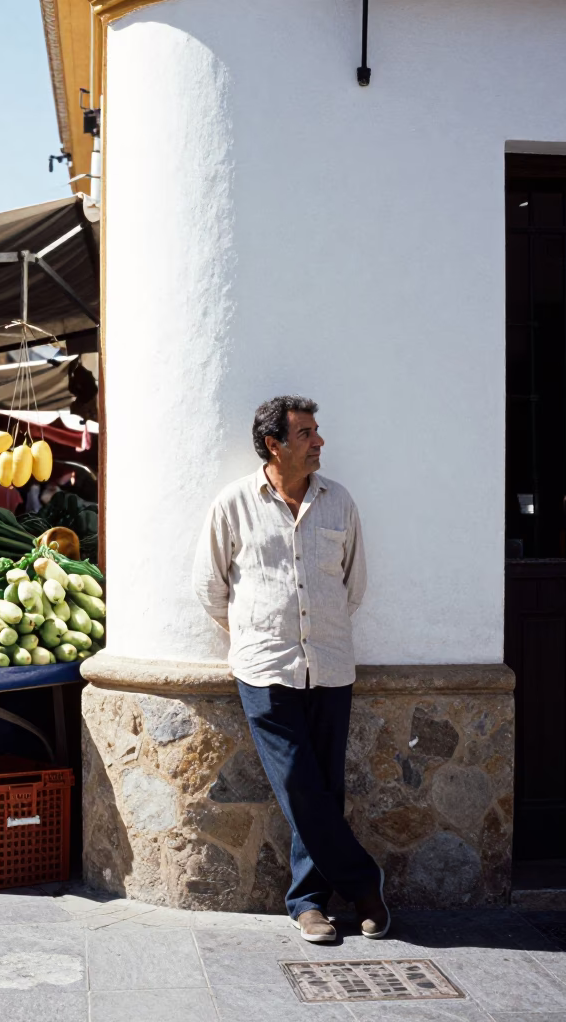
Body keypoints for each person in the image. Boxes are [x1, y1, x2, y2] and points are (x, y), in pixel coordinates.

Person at [192, 395, 389, 944]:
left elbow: (355, 584)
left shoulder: (339, 502)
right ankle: (364, 884)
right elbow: (210, 588)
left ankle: (308, 902)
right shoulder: (233, 504)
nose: (319, 442)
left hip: (329, 664)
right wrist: (257, 636)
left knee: (325, 787)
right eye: (306, 434)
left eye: (316, 431)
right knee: (300, 784)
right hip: (264, 669)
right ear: (273, 444)